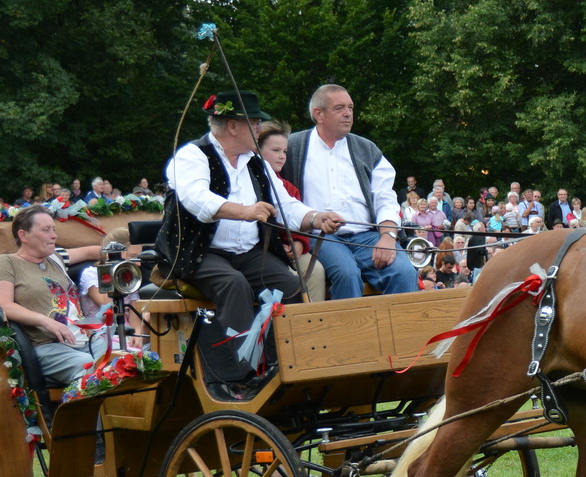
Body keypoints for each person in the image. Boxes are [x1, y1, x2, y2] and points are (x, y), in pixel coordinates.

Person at [158, 90, 332, 397]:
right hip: (200, 253)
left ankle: (287, 365)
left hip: (248, 253)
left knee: (289, 286)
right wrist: (245, 212)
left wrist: (316, 217)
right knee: (233, 284)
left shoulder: (255, 162)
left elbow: (285, 205)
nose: (260, 128)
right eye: (254, 121)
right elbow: (197, 200)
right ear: (233, 126)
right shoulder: (191, 156)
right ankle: (238, 378)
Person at [285, 84, 417, 299]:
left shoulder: (367, 149)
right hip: (321, 236)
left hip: (367, 234)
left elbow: (385, 197)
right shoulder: (293, 147)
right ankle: (349, 333)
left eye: (350, 107)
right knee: (346, 274)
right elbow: (277, 191)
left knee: (403, 272)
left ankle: (400, 333)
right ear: (318, 114)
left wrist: (388, 236)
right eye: (339, 108)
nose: (348, 114)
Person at [0, 208, 111, 389]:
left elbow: (90, 253)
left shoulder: (55, 257)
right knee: (91, 366)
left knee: (125, 359)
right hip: (46, 346)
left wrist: (125, 253)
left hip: (87, 340)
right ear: (23, 235)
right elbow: (3, 304)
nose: (54, 235)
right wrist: (46, 321)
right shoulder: (7, 262)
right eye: (46, 230)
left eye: (53, 229)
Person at [256, 121, 327, 304]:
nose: (281, 156)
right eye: (275, 150)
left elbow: (297, 221)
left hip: (288, 252)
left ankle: (314, 323)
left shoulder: (289, 189)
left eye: (285, 152)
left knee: (316, 270)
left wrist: (299, 243)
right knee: (291, 277)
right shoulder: (251, 180)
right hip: (261, 252)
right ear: (257, 151)